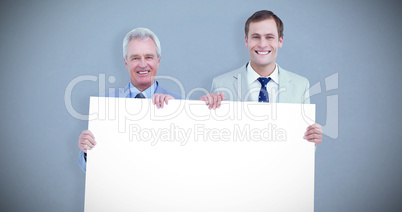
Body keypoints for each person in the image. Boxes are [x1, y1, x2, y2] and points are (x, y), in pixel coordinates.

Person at [200, 10, 323, 145]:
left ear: (280, 41)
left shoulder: (301, 85)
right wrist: (204, 111)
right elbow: (211, 140)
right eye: (256, 37)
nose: (262, 44)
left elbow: (303, 145)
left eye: (269, 37)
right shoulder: (221, 84)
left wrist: (313, 141)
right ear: (246, 41)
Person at [78, 27, 181, 172]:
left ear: (158, 60)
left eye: (149, 57)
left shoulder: (181, 104)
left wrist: (176, 114)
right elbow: (88, 168)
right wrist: (87, 151)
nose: (143, 64)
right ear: (126, 63)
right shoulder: (104, 105)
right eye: (135, 58)